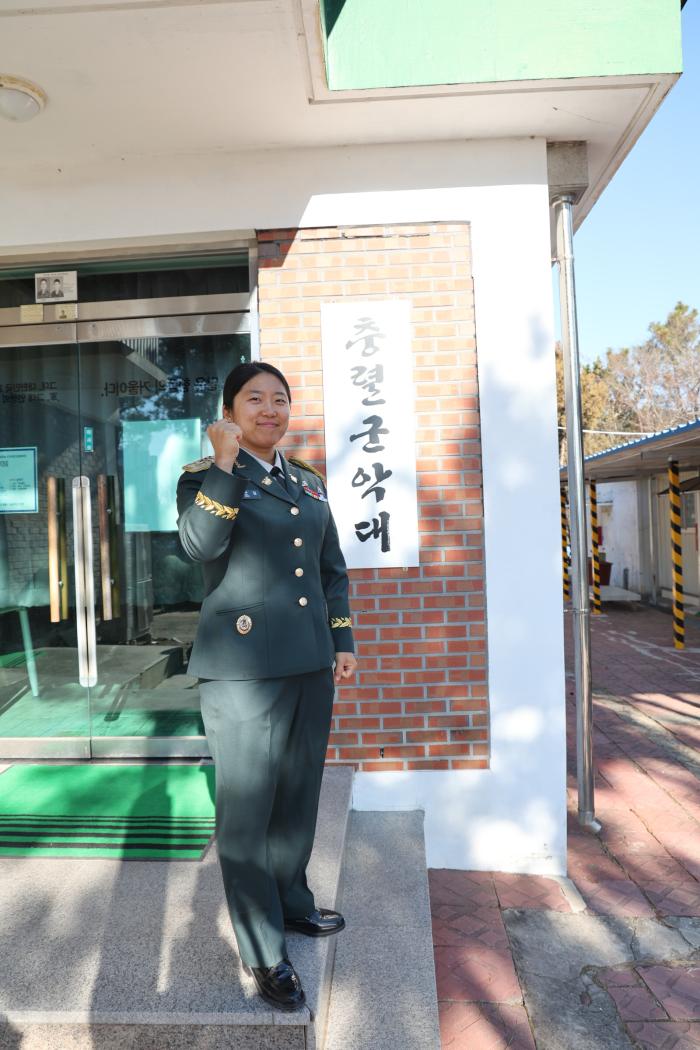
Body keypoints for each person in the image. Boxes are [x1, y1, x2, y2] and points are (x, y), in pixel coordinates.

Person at [176, 361, 357, 1012]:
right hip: (242, 672)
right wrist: (224, 463)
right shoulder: (205, 479)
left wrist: (342, 642)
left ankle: (293, 904)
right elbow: (199, 544)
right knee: (247, 817)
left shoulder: (307, 482)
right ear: (230, 412)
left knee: (299, 799)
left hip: (309, 666)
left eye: (281, 398)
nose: (270, 409)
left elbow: (331, 571)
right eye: (255, 399)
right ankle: (262, 950)